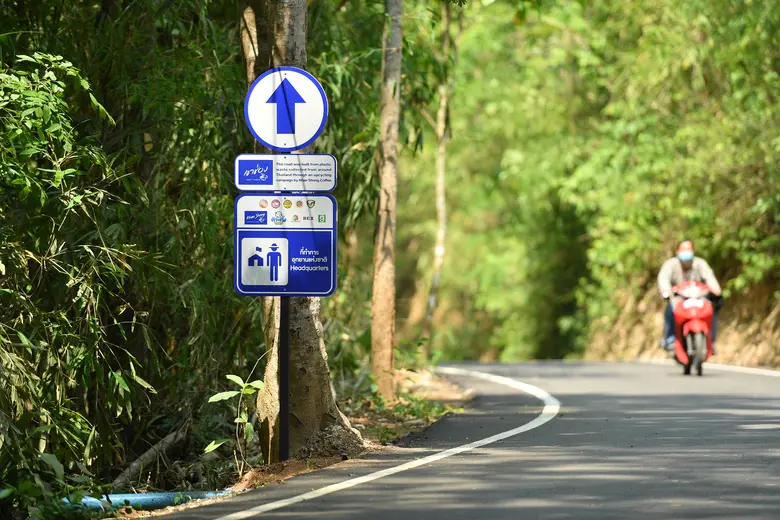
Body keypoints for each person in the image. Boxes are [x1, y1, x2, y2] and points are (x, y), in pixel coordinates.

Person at [657, 240, 723, 352]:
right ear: (677, 252)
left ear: (693, 251)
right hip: (679, 299)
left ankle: (711, 341)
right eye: (683, 249)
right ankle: (670, 340)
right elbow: (663, 279)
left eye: (688, 249)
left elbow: (710, 278)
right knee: (671, 309)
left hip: (698, 298)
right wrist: (666, 291)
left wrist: (715, 290)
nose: (686, 252)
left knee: (712, 308)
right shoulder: (671, 265)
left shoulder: (700, 264)